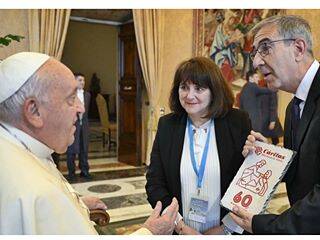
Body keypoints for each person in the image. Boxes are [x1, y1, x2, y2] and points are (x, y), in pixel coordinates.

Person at [0, 52, 179, 234]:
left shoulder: (17, 150)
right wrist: (150, 232)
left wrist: (77, 206)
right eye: (71, 99)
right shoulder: (35, 191)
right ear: (34, 111)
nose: (81, 108)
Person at [230, 15, 320, 234]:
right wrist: (269, 156)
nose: (257, 62)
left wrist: (266, 226)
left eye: (265, 48)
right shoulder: (294, 107)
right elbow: (302, 170)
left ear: (298, 48)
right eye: (254, 53)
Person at [146, 57, 251, 235]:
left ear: (214, 90)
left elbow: (248, 184)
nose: (189, 95)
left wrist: (225, 229)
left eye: (199, 88)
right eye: (184, 87)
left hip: (229, 231)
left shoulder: (237, 122)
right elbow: (155, 183)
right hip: (179, 231)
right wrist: (180, 227)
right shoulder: (167, 125)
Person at [66, 73, 91, 180]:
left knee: (84, 147)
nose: (82, 82)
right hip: (73, 124)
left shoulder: (87, 95)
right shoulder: (70, 95)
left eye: (83, 80)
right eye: (80, 80)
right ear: (74, 81)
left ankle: (84, 170)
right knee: (72, 148)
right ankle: (71, 172)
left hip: (84, 125)